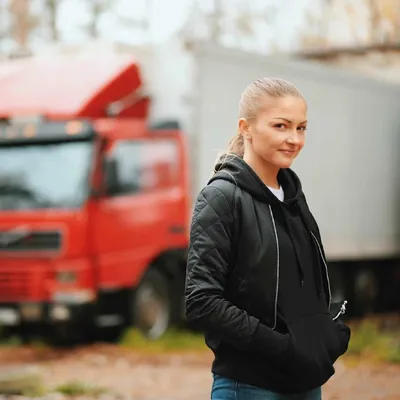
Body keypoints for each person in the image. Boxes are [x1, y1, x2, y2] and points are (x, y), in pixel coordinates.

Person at [185, 77, 351, 400]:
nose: (294, 139)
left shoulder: (293, 198)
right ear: (245, 127)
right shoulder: (221, 198)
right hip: (250, 386)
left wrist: (327, 333)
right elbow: (201, 301)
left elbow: (303, 288)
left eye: (301, 128)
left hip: (304, 383)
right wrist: (281, 347)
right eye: (281, 126)